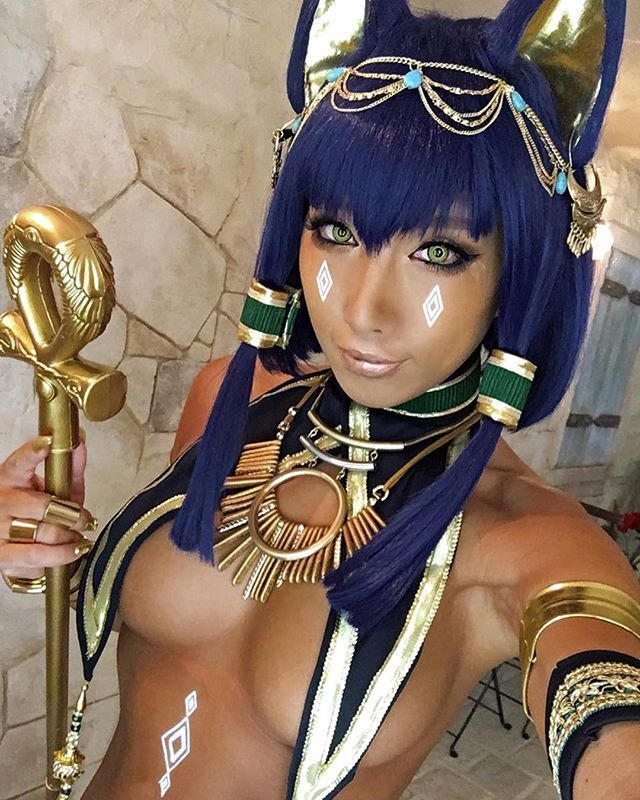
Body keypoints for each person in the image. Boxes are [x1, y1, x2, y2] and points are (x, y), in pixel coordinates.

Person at [2, 1, 640, 799]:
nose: (364, 311)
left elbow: (610, 719)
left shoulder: (527, 538)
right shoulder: (225, 402)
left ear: (519, 273)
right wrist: (34, 544)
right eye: (336, 232)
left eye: (440, 252)